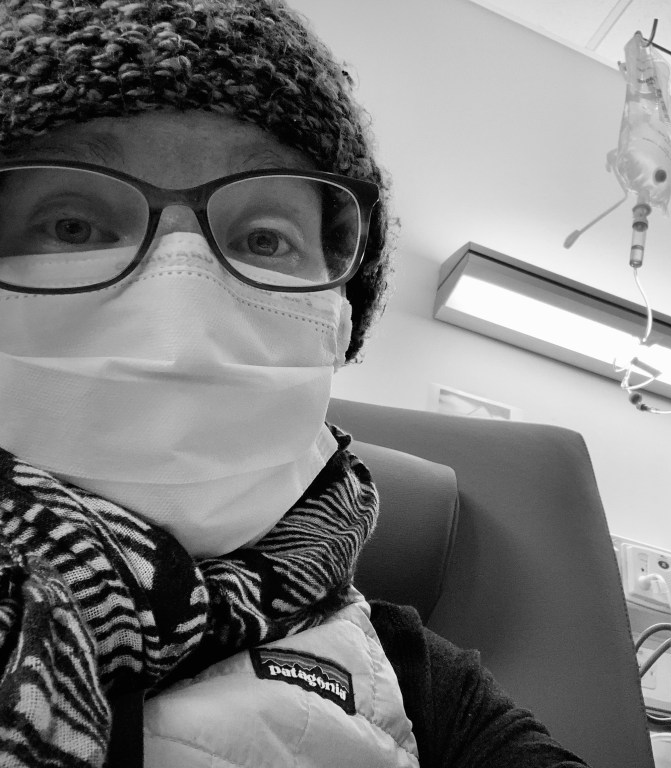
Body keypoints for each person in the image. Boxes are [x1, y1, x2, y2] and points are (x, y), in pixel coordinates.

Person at [0, 1, 591, 766]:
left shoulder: (419, 686)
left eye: (263, 238)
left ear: (338, 321)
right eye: (72, 224)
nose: (181, 310)